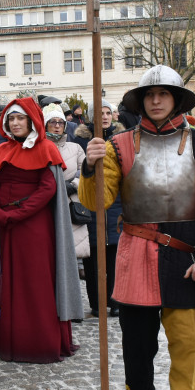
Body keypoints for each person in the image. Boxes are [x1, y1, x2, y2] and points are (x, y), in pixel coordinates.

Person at [79, 65, 195, 390]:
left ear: (177, 98)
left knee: (186, 348)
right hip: (135, 259)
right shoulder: (118, 145)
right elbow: (97, 202)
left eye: (163, 94)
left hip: (183, 260)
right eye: (149, 95)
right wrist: (88, 167)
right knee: (137, 348)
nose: (156, 100)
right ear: (141, 101)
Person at [0, 97, 82, 363]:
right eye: (11, 118)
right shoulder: (1, 150)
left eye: (21, 118)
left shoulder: (45, 148)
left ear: (32, 121)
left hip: (35, 228)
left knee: (36, 282)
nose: (16, 122)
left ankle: (36, 341)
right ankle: (7, 338)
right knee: (6, 281)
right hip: (5, 227)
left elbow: (47, 188)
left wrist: (17, 214)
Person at [74, 102, 122, 318]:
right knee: (92, 259)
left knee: (114, 257)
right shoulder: (81, 141)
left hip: (115, 205)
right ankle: (96, 303)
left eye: (108, 113)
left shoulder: (120, 140)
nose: (105, 117)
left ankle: (116, 301)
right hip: (90, 208)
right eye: (100, 113)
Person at [43, 103, 90, 265]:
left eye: (60, 122)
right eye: (52, 122)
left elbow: (84, 171)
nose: (57, 126)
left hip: (71, 204)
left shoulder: (75, 148)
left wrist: (72, 185)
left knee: (70, 257)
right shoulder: (39, 149)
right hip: (48, 204)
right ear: (45, 125)